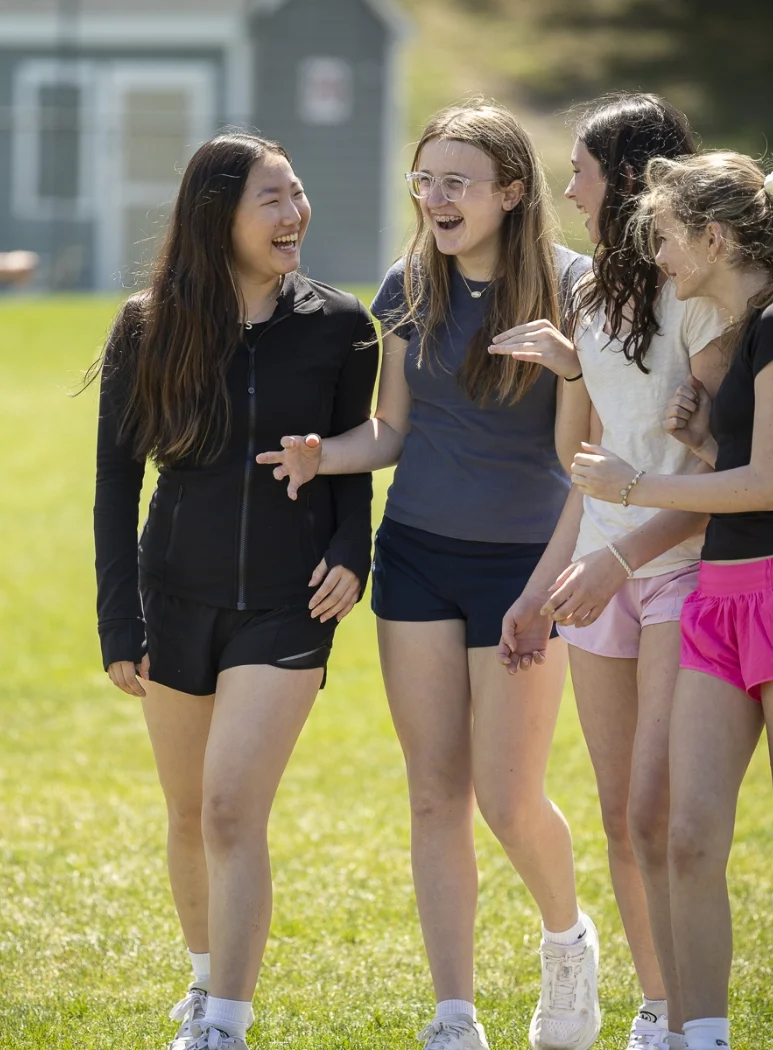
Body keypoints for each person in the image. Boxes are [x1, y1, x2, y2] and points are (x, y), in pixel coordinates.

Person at [256, 101, 599, 1050]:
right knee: (432, 793)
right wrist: (323, 455)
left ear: (512, 192)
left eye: (457, 181)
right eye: (425, 179)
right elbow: (393, 430)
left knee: (507, 797)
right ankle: (456, 1015)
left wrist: (572, 371)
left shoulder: (576, 288)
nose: (435, 199)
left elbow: (583, 459)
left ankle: (567, 941)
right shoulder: (409, 284)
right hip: (416, 558)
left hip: (526, 570)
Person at [570, 151, 773, 1050]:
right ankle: (699, 1037)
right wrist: (703, 440)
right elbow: (741, 466)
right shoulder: (743, 332)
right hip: (719, 603)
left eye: (666, 237)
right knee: (688, 836)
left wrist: (636, 487)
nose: (659, 255)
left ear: (713, 237)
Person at [91, 132, 377, 1050]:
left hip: (288, 604)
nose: (295, 214)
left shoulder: (340, 326)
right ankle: (205, 979)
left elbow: (350, 463)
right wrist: (117, 618)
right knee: (185, 811)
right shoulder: (148, 325)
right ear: (220, 214)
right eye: (273, 199)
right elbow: (114, 485)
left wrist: (351, 548)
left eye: (297, 194)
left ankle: (226, 1025)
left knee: (229, 808)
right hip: (174, 596)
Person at [492, 93, 726, 1050]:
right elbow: (577, 461)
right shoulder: (588, 297)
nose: (568, 190)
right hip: (598, 574)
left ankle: (692, 1014)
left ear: (628, 180)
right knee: (624, 818)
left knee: (656, 807)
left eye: (580, 171)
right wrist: (547, 586)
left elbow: (725, 468)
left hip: (683, 569)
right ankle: (658, 1007)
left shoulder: (703, 296)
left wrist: (619, 557)